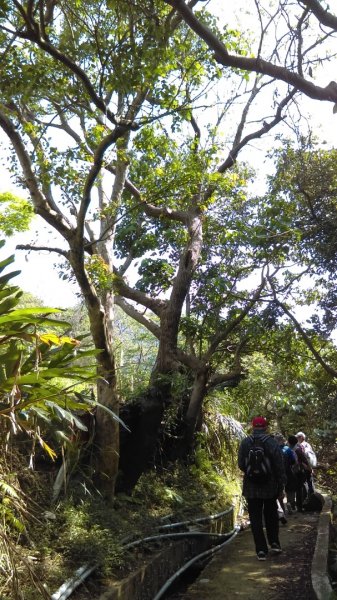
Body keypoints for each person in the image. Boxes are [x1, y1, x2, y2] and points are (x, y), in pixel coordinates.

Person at [238, 416, 286, 560]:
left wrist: (252, 473)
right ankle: (275, 543)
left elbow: (241, 464)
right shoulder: (271, 442)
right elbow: (279, 466)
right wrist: (281, 485)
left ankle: (261, 550)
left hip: (251, 487)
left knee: (255, 519)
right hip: (270, 486)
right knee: (271, 515)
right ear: (265, 427)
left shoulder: (245, 442)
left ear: (253, 427)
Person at [287, 435, 310, 511]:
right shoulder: (298, 450)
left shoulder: (286, 449)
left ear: (288, 442)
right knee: (299, 489)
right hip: (298, 472)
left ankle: (291, 504)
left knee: (289, 489)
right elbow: (304, 460)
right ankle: (299, 507)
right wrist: (309, 468)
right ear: (296, 442)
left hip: (289, 472)